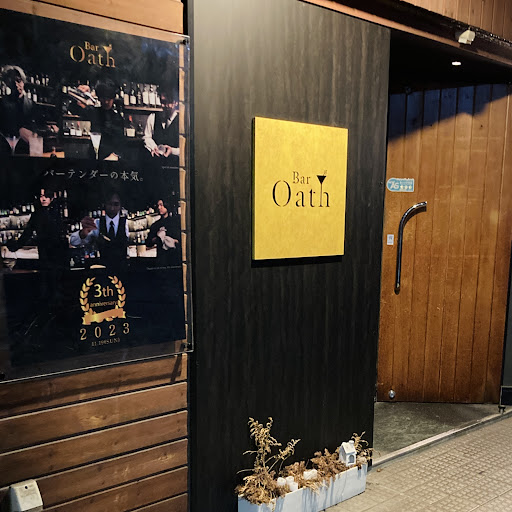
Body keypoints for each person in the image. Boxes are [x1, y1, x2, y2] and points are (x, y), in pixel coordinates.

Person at [6, 186, 68, 271]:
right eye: (41, 196)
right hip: (45, 252)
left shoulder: (58, 212)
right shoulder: (37, 214)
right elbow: (27, 233)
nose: (43, 199)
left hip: (58, 252)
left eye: (46, 196)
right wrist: (16, 246)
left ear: (52, 198)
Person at [70, 190, 129, 271]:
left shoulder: (127, 223)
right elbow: (73, 241)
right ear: (104, 204)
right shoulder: (97, 223)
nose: (112, 208)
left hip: (123, 269)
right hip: (103, 269)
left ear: (121, 205)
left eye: (116, 204)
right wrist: (82, 234)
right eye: (109, 204)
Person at [76, 80, 124, 160]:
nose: (106, 102)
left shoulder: (118, 118)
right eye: (103, 98)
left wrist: (115, 155)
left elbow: (121, 143)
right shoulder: (92, 111)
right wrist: (79, 92)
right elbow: (73, 108)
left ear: (113, 98)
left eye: (109, 99)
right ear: (99, 98)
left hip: (110, 160)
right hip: (93, 157)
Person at [0, 65, 35, 155]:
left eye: (18, 81)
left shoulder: (32, 104)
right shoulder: (2, 103)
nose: (16, 85)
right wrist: (18, 131)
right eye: (12, 81)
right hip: (7, 151)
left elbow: (36, 126)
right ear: (7, 83)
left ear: (23, 82)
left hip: (27, 150)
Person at [143, 87, 180, 166]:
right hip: (156, 164)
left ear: (176, 102)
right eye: (163, 102)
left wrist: (172, 151)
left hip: (174, 166)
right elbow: (147, 137)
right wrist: (153, 147)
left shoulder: (182, 122)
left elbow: (185, 149)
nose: (165, 105)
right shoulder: (152, 117)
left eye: (169, 102)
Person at [146, 198, 181, 266]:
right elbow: (148, 243)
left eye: (161, 205)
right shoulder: (155, 225)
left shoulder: (176, 221)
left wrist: (175, 241)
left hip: (175, 257)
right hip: (162, 259)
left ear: (166, 205)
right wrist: (156, 239)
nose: (159, 208)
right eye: (158, 206)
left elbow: (182, 239)